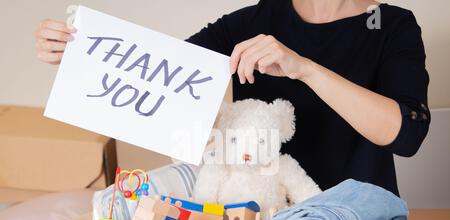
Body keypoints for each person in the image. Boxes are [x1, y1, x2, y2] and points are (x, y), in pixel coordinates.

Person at [34, 0, 430, 196]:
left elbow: (405, 134)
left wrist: (304, 68)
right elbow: (156, 75)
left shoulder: (392, 25)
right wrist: (79, 54)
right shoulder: (255, 20)